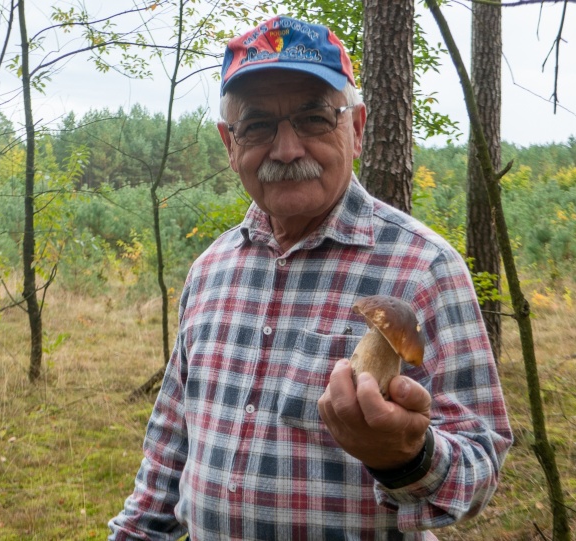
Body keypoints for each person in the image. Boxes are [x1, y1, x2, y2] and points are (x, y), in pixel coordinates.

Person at [109, 15, 512, 541]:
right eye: (256, 126)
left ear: (358, 127)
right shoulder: (210, 271)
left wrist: (408, 458)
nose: (286, 149)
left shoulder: (424, 268)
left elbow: (480, 464)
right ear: (230, 144)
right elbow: (168, 450)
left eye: (313, 119)